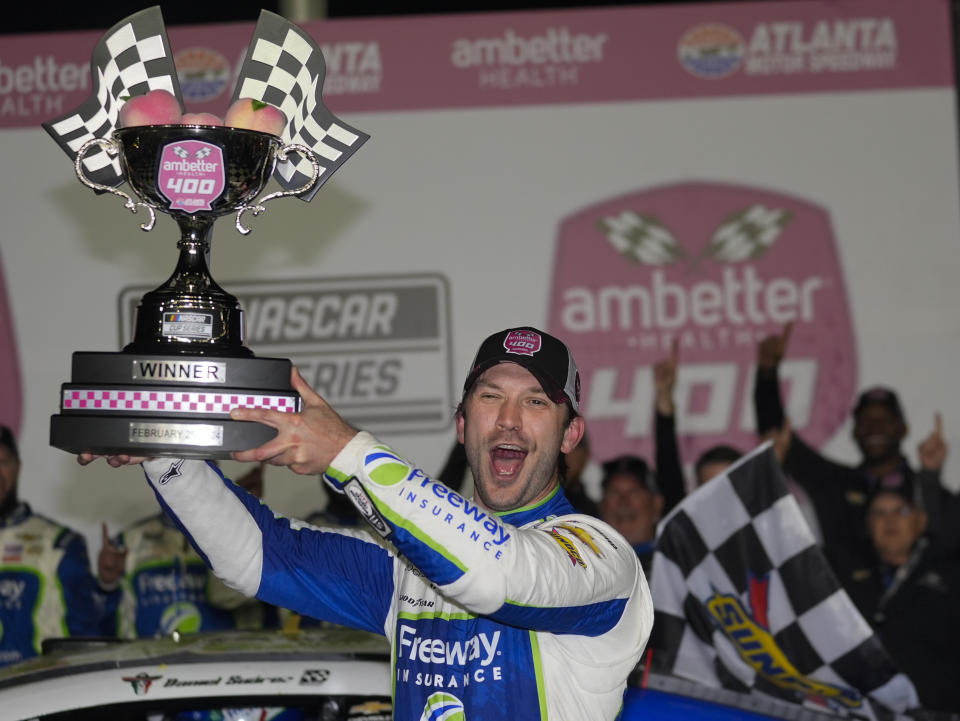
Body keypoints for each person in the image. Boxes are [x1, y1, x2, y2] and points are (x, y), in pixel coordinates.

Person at [81, 326, 653, 721]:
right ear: (462, 425)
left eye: (535, 403)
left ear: (570, 435)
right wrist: (163, 453)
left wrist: (345, 452)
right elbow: (256, 555)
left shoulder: (602, 557)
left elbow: (496, 575)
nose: (507, 419)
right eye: (490, 396)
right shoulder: (413, 565)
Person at [754, 322, 957, 562]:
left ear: (903, 429)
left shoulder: (927, 491)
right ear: (854, 432)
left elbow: (947, 549)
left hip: (916, 599)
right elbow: (778, 438)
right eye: (866, 422)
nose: (874, 428)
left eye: (884, 421)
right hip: (842, 597)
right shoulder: (832, 483)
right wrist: (767, 374)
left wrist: (930, 476)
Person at [97, 463, 279, 638]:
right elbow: (101, 622)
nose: (188, 482)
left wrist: (242, 515)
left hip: (222, 664)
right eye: (178, 469)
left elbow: (265, 608)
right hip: (147, 665)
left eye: (202, 472)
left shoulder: (238, 536)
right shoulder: (129, 541)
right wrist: (107, 583)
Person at [832, 475, 960, 712]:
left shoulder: (951, 576)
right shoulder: (842, 572)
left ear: (921, 521)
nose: (890, 520)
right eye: (879, 513)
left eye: (901, 511)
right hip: (852, 709)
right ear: (868, 526)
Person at [0, 425, 100, 667]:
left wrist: (108, 586)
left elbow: (89, 638)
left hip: (35, 695)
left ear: (18, 467)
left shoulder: (58, 543)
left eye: (2, 461)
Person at [597, 455, 662, 574]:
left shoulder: (676, 565)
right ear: (602, 505)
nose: (624, 502)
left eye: (634, 492)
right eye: (614, 493)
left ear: (656, 505)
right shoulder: (585, 564)